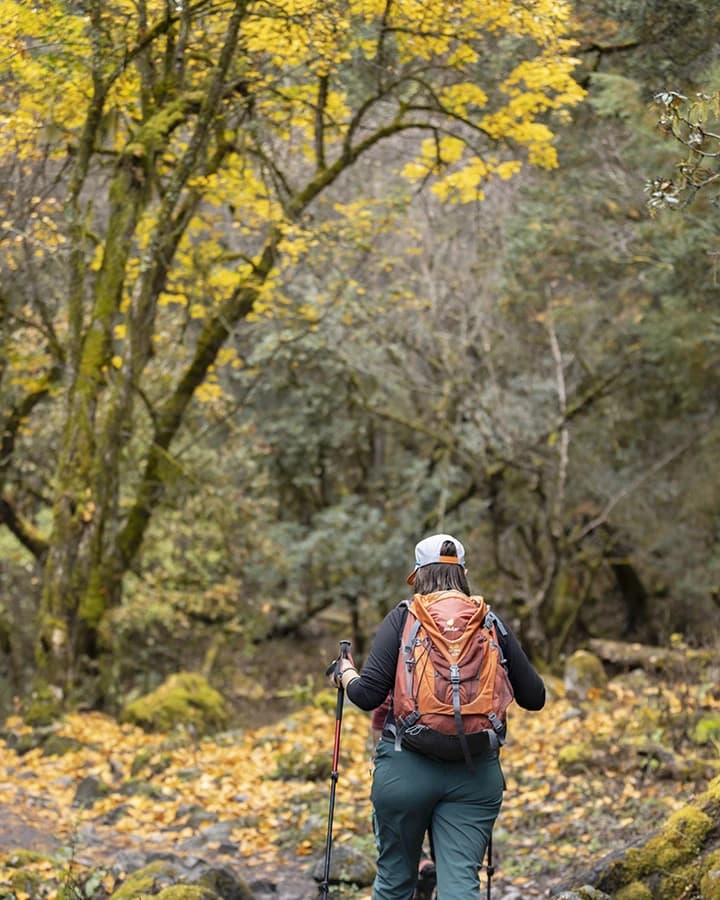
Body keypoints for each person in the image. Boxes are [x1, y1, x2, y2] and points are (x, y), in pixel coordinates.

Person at [331, 533, 545, 900]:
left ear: (419, 575)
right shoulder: (488, 621)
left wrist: (344, 672)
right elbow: (535, 697)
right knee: (461, 888)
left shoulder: (404, 618)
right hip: (475, 774)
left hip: (405, 770)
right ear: (462, 573)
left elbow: (367, 695)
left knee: (395, 884)